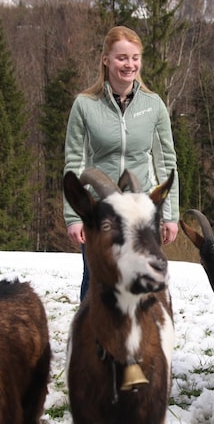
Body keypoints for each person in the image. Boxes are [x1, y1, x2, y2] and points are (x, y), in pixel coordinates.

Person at [63, 26, 180, 301]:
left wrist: (170, 215)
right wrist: (73, 216)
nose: (129, 65)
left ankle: (141, 342)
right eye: (122, 58)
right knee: (96, 284)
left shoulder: (154, 106)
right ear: (106, 59)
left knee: (143, 283)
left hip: (141, 210)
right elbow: (74, 162)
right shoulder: (84, 105)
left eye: (135, 57)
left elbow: (166, 163)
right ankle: (92, 341)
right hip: (101, 214)